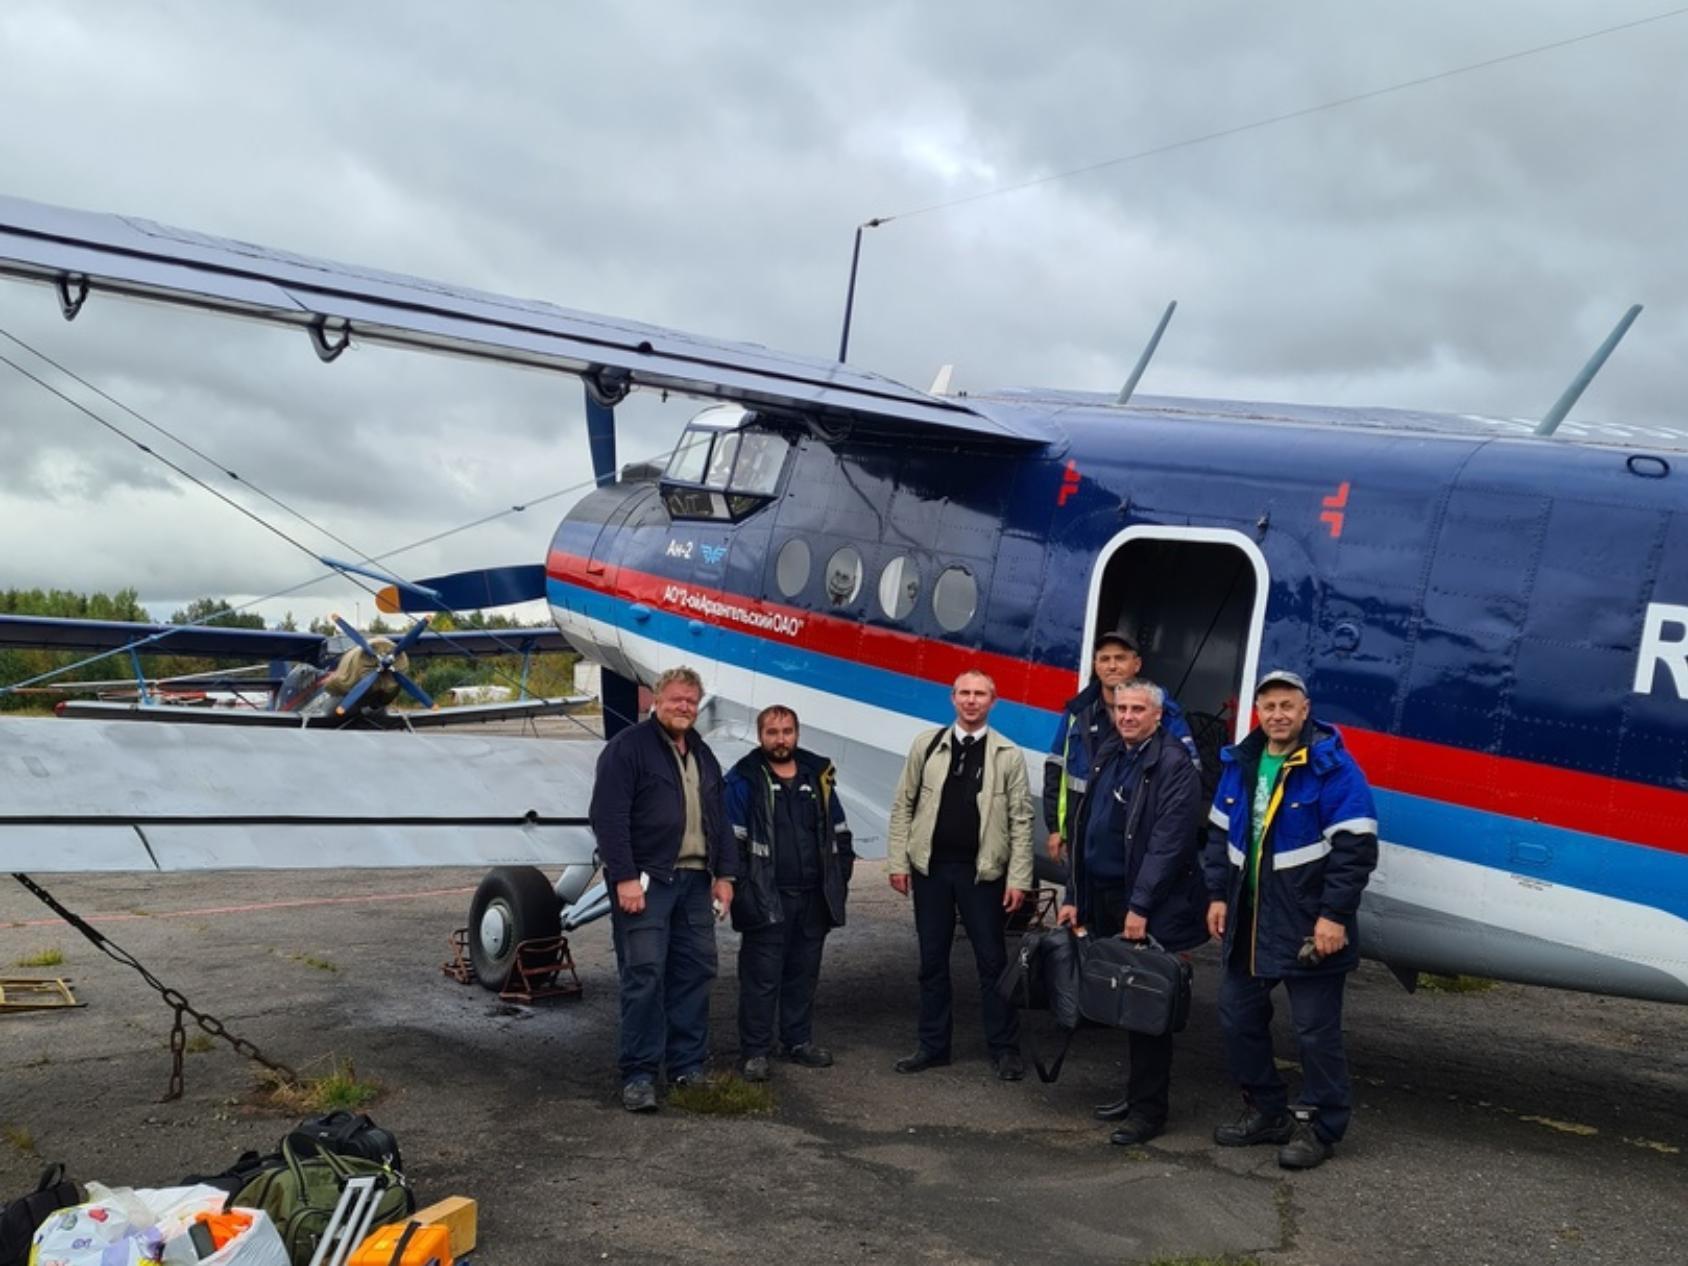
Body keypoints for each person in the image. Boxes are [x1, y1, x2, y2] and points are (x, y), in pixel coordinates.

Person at [1203, 670, 1378, 1169]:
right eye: (1268, 707)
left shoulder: (1332, 768)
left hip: (1308, 926)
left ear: (1305, 711)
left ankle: (1321, 1127)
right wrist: (1216, 894)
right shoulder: (1240, 764)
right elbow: (1218, 836)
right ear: (1257, 713)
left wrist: (1334, 916)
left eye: (1287, 706)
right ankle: (1267, 1111)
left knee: (1314, 1034)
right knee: (1237, 1018)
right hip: (1249, 920)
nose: (1277, 715)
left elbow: (1356, 848)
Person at [1057, 678, 1205, 1145]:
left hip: (1146, 902)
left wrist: (1139, 906)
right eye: (1121, 708)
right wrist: (1073, 893)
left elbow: (1168, 844)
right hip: (1100, 893)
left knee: (1145, 1002)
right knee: (1119, 997)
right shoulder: (1108, 751)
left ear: (1158, 716)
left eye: (1137, 709)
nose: (1126, 716)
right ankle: (1133, 1092)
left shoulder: (1175, 765)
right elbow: (1083, 828)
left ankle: (1148, 1111)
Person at [588, 666, 738, 1112]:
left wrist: (725, 876)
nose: (683, 707)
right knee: (644, 976)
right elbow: (608, 817)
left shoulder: (703, 754)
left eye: (691, 701)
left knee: (694, 973)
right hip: (650, 880)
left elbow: (720, 820)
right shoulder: (627, 749)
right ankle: (638, 1074)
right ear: (656, 700)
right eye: (675, 699)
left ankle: (686, 1066)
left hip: (695, 881)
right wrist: (625, 877)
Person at [886, 669, 1035, 1080]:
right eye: (965, 693)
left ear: (993, 701)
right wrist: (898, 862)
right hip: (931, 870)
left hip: (981, 874)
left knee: (992, 961)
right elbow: (904, 805)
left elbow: (1021, 820)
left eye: (980, 694)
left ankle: (1004, 1049)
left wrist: (1018, 877)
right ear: (952, 698)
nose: (971, 701)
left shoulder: (1008, 753)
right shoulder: (926, 745)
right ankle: (933, 1046)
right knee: (931, 961)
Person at [725, 705, 854, 1082]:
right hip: (766, 896)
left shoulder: (818, 775)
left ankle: (797, 1041)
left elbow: (841, 832)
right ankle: (755, 1051)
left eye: (786, 732)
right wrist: (744, 889)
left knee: (803, 974)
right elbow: (731, 843)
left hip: (812, 897)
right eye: (772, 732)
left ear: (797, 733)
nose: (780, 740)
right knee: (761, 978)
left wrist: (838, 878)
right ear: (760, 735)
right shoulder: (743, 780)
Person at [1043, 632, 1198, 870]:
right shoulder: (1078, 713)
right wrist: (1055, 828)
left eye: (1120, 658)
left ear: (1137, 664)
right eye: (1104, 659)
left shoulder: (1165, 713)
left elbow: (1187, 779)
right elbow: (1055, 767)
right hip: (1082, 832)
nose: (1112, 666)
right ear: (1095, 665)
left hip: (1136, 840)